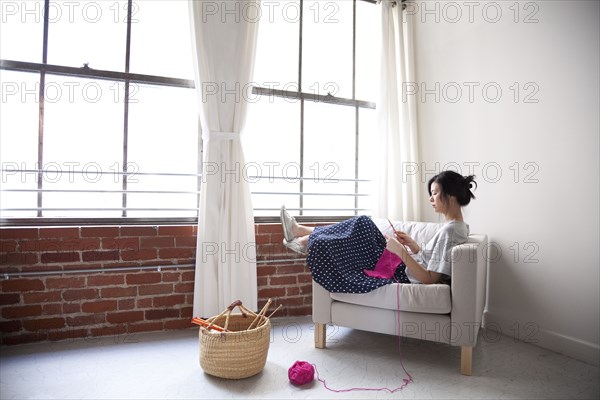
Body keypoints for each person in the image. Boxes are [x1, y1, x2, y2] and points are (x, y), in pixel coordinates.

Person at [280, 170, 477, 293]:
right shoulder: (456, 228)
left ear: (451, 196)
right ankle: (301, 235)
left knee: (362, 224)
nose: (430, 199)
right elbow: (432, 261)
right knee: (362, 225)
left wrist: (399, 250)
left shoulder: (451, 231)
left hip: (402, 271)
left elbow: (430, 279)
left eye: (434, 193)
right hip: (404, 262)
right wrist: (414, 246)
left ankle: (302, 236)